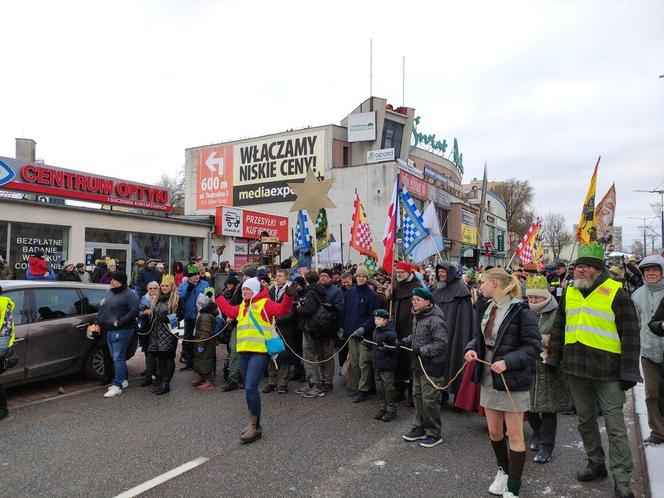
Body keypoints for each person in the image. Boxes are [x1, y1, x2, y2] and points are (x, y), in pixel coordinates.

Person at [547, 243, 641, 498]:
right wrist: (553, 359)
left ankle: (622, 477)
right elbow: (559, 329)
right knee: (585, 420)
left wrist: (630, 372)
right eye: (577, 267)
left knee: (615, 425)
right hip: (577, 369)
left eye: (584, 267)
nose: (578, 271)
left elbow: (631, 335)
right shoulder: (570, 293)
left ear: (597, 270)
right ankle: (595, 463)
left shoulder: (616, 293)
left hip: (608, 372)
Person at [463, 268, 541, 498]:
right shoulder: (487, 307)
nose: (479, 286)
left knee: (515, 436)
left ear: (495, 283)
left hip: (511, 379)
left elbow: (533, 346)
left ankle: (513, 487)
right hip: (488, 375)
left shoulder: (521, 311)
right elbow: (480, 339)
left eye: (483, 282)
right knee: (495, 431)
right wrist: (470, 349)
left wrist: (508, 361)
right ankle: (503, 472)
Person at [216, 277, 298, 444]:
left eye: (248, 289)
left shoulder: (264, 304)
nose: (244, 291)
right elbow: (229, 311)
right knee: (248, 388)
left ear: (254, 290)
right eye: (243, 289)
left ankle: (255, 426)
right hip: (244, 352)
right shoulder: (242, 307)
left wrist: (289, 297)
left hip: (259, 352)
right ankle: (255, 423)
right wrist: (218, 297)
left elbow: (282, 310)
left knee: (252, 387)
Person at [524, 274, 569, 464]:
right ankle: (537, 431)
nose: (533, 301)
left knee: (548, 408)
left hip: (549, 367)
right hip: (527, 365)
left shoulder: (558, 312)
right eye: (530, 297)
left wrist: (534, 339)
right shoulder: (523, 311)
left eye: (537, 297)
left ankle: (546, 447)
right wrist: (541, 339)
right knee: (527, 406)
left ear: (546, 296)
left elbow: (558, 338)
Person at [401, 287, 449, 448]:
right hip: (417, 365)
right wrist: (405, 341)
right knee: (417, 396)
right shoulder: (418, 317)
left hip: (432, 366)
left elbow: (441, 344)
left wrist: (422, 350)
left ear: (427, 302)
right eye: (413, 299)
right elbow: (417, 337)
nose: (414, 302)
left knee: (430, 400)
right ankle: (419, 426)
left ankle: (434, 433)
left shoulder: (436, 320)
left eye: (417, 300)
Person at [631, 255, 664, 445]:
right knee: (652, 394)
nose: (651, 273)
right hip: (648, 353)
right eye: (647, 270)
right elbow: (634, 324)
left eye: (655, 269)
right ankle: (658, 432)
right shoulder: (637, 295)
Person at [432, 261, 474, 400]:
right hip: (439, 334)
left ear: (450, 273)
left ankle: (458, 398)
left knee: (456, 362)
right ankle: (442, 394)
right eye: (439, 272)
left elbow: (465, 317)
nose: (440, 275)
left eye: (443, 272)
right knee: (440, 364)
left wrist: (460, 332)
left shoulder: (461, 290)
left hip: (456, 332)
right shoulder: (437, 290)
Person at [95, 271, 139, 398]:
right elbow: (103, 309)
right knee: (116, 357)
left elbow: (134, 311)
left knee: (118, 357)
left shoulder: (130, 294)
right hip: (108, 329)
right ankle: (123, 380)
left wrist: (119, 322)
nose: (111, 281)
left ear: (121, 281)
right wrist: (97, 322)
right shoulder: (110, 292)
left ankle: (117, 386)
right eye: (111, 279)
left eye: (114, 280)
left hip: (122, 330)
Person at [345, 265, 379, 402]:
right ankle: (361, 385)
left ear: (367, 278)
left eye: (364, 276)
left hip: (365, 335)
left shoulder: (372, 295)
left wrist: (364, 328)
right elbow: (345, 311)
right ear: (356, 277)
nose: (361, 278)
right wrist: (343, 328)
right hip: (351, 334)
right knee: (354, 363)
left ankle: (364, 389)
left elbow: (373, 316)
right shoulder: (350, 292)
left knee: (363, 363)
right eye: (359, 276)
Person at [147, 275, 184, 395]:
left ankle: (166, 383)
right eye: (162, 285)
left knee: (167, 358)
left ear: (172, 286)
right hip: (156, 332)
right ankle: (161, 380)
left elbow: (180, 315)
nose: (164, 287)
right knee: (159, 358)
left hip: (169, 332)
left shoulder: (177, 299)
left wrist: (165, 318)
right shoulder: (158, 298)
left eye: (166, 285)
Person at [392, 261, 423, 405]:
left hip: (411, 328)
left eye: (401, 273)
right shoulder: (398, 285)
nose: (398, 275)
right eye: (397, 273)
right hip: (397, 327)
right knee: (398, 360)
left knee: (411, 361)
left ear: (409, 272)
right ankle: (399, 390)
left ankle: (412, 394)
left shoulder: (417, 287)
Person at [295, 271, 328, 398]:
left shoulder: (311, 292)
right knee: (308, 356)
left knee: (309, 356)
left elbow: (309, 309)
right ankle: (311, 383)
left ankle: (316, 385)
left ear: (307, 279)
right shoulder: (316, 291)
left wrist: (299, 308)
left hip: (309, 327)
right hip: (311, 327)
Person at [264, 268, 298, 394]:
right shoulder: (272, 290)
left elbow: (292, 312)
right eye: (276, 275)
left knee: (284, 356)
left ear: (286, 277)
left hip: (285, 328)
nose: (277, 277)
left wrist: (278, 320)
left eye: (280, 276)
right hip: (271, 327)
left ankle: (283, 383)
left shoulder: (291, 291)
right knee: (271, 353)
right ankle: (271, 382)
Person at [366, 309, 398, 422]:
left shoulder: (391, 334)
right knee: (379, 387)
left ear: (385, 320)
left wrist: (387, 349)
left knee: (388, 388)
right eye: (375, 319)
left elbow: (396, 350)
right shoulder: (375, 332)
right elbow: (375, 347)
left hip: (387, 365)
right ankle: (382, 407)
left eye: (379, 319)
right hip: (377, 364)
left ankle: (391, 409)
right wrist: (366, 343)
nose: (376, 321)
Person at [318, 268, 345, 392]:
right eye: (321, 275)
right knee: (319, 355)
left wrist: (330, 309)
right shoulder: (317, 289)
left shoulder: (336, 291)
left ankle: (329, 381)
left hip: (329, 328)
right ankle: (322, 378)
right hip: (317, 327)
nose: (323, 278)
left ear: (330, 278)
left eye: (325, 276)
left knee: (328, 355)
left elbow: (340, 309)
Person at [178, 264, 209, 370]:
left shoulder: (205, 284)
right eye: (193, 275)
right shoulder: (183, 286)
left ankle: (198, 361)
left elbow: (210, 296)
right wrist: (188, 290)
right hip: (189, 316)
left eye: (198, 274)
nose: (197, 276)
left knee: (200, 339)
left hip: (202, 317)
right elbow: (180, 300)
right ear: (188, 276)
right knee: (188, 338)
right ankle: (188, 360)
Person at [191, 287, 219, 390]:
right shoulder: (202, 314)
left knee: (206, 360)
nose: (196, 305)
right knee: (200, 360)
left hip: (205, 342)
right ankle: (202, 377)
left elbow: (206, 332)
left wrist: (201, 344)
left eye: (198, 303)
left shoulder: (206, 316)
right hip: (201, 341)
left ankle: (209, 381)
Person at [137, 281, 160, 388]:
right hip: (146, 328)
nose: (152, 290)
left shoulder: (161, 297)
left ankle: (157, 374)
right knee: (147, 351)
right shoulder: (144, 298)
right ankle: (149, 374)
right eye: (150, 288)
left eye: (155, 288)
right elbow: (139, 312)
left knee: (157, 353)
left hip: (159, 328)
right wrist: (144, 313)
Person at [0, 286, 16, 420]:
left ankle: (3, 411)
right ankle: (3, 411)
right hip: (4, 344)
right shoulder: (5, 303)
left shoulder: (2, 304)